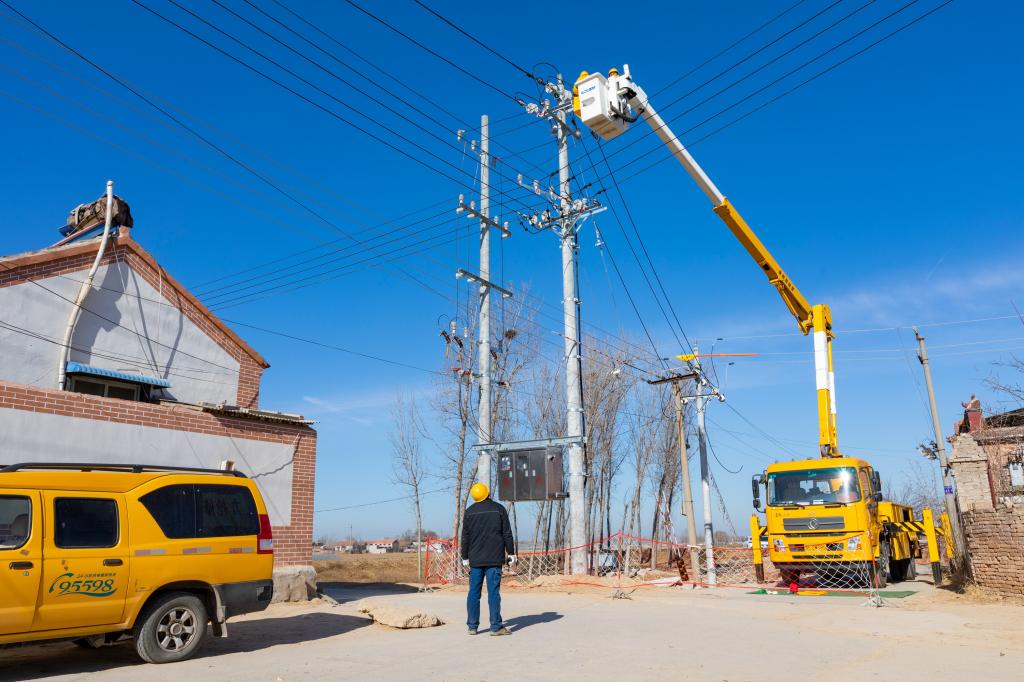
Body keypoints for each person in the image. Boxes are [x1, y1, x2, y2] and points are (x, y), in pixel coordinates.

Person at [461, 482, 516, 636]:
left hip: (475, 560)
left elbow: (465, 537)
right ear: (488, 493)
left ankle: (472, 626)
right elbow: (507, 533)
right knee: (493, 593)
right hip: (494, 559)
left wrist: (464, 556)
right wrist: (511, 553)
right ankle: (496, 627)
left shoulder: (469, 512)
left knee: (473, 593)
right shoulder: (499, 509)